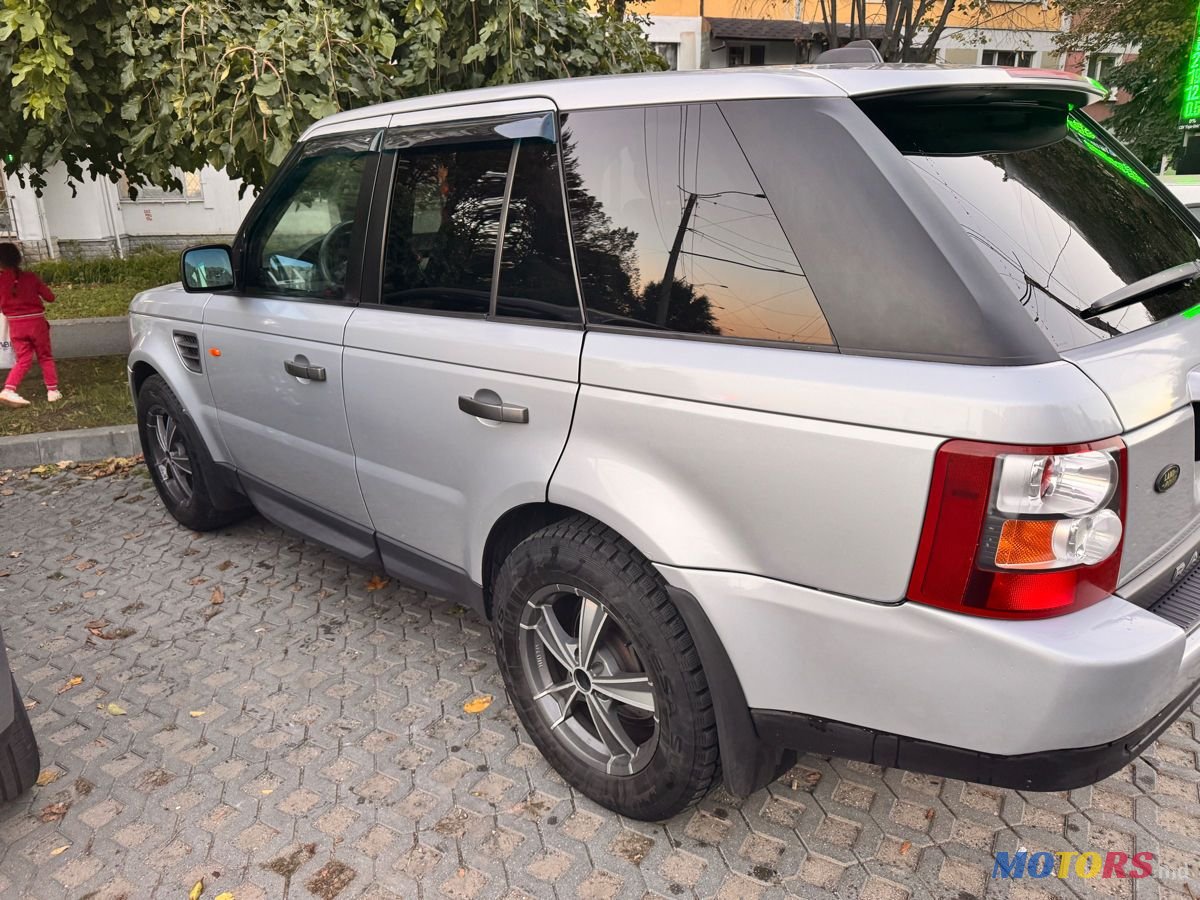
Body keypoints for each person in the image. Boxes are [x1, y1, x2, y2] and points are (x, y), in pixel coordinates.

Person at [0, 242, 59, 407]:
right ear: (18, 259)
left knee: (23, 359)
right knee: (45, 356)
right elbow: (50, 297)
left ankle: (9, 389)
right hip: (37, 323)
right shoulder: (31, 277)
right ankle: (52, 391)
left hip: (15, 326)